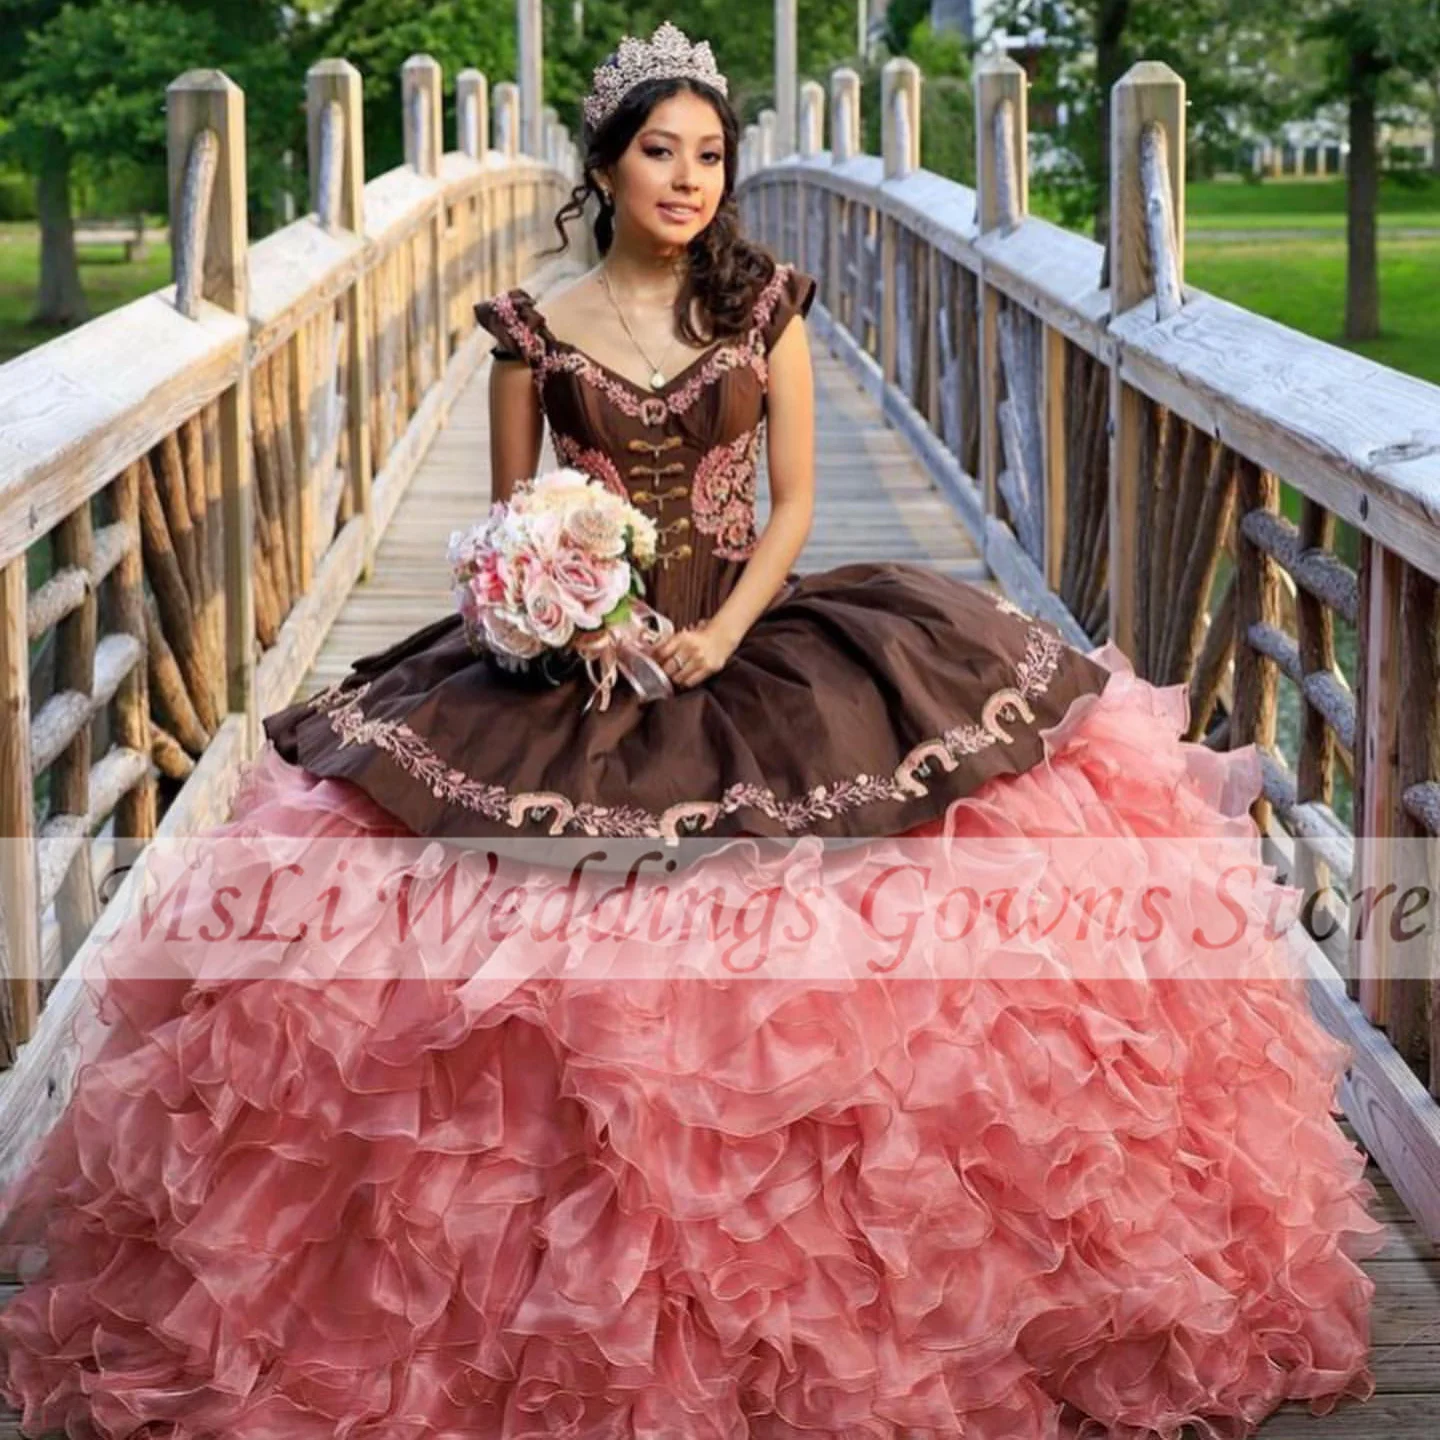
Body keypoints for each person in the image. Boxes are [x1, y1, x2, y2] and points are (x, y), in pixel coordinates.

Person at [0, 22, 1387, 1440]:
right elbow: (509, 520)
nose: (688, 179)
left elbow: (788, 503)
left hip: (753, 639)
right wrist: (573, 618)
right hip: (579, 661)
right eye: (659, 151)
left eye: (711, 154)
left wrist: (717, 634)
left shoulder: (765, 308)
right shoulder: (529, 331)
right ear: (601, 168)